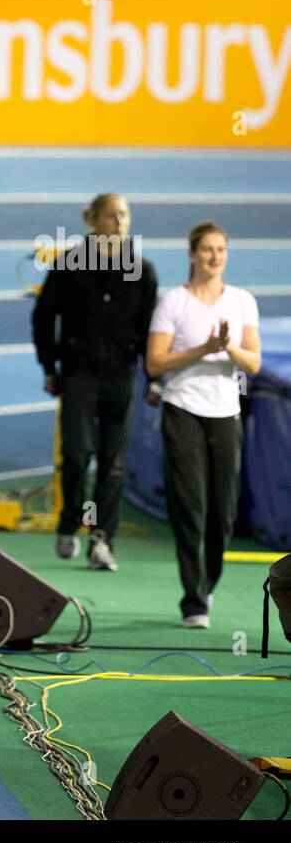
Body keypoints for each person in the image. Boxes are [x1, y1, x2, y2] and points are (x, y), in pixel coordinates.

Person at [31, 192, 158, 571]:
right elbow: (43, 317)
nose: (119, 222)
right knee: (76, 453)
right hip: (78, 373)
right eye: (110, 215)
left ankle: (102, 540)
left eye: (124, 215)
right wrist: (49, 368)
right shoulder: (69, 265)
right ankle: (70, 522)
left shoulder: (142, 270)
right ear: (93, 221)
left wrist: (153, 377)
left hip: (122, 375)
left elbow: (152, 329)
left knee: (113, 463)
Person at [146, 222, 262, 629]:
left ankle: (206, 581)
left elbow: (254, 362)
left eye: (221, 250)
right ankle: (194, 600)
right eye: (207, 249)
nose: (215, 256)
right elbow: (155, 363)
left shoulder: (243, 301)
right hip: (183, 411)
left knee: (222, 512)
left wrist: (227, 347)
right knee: (190, 507)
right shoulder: (173, 302)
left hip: (225, 414)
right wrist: (202, 349)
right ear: (192, 254)